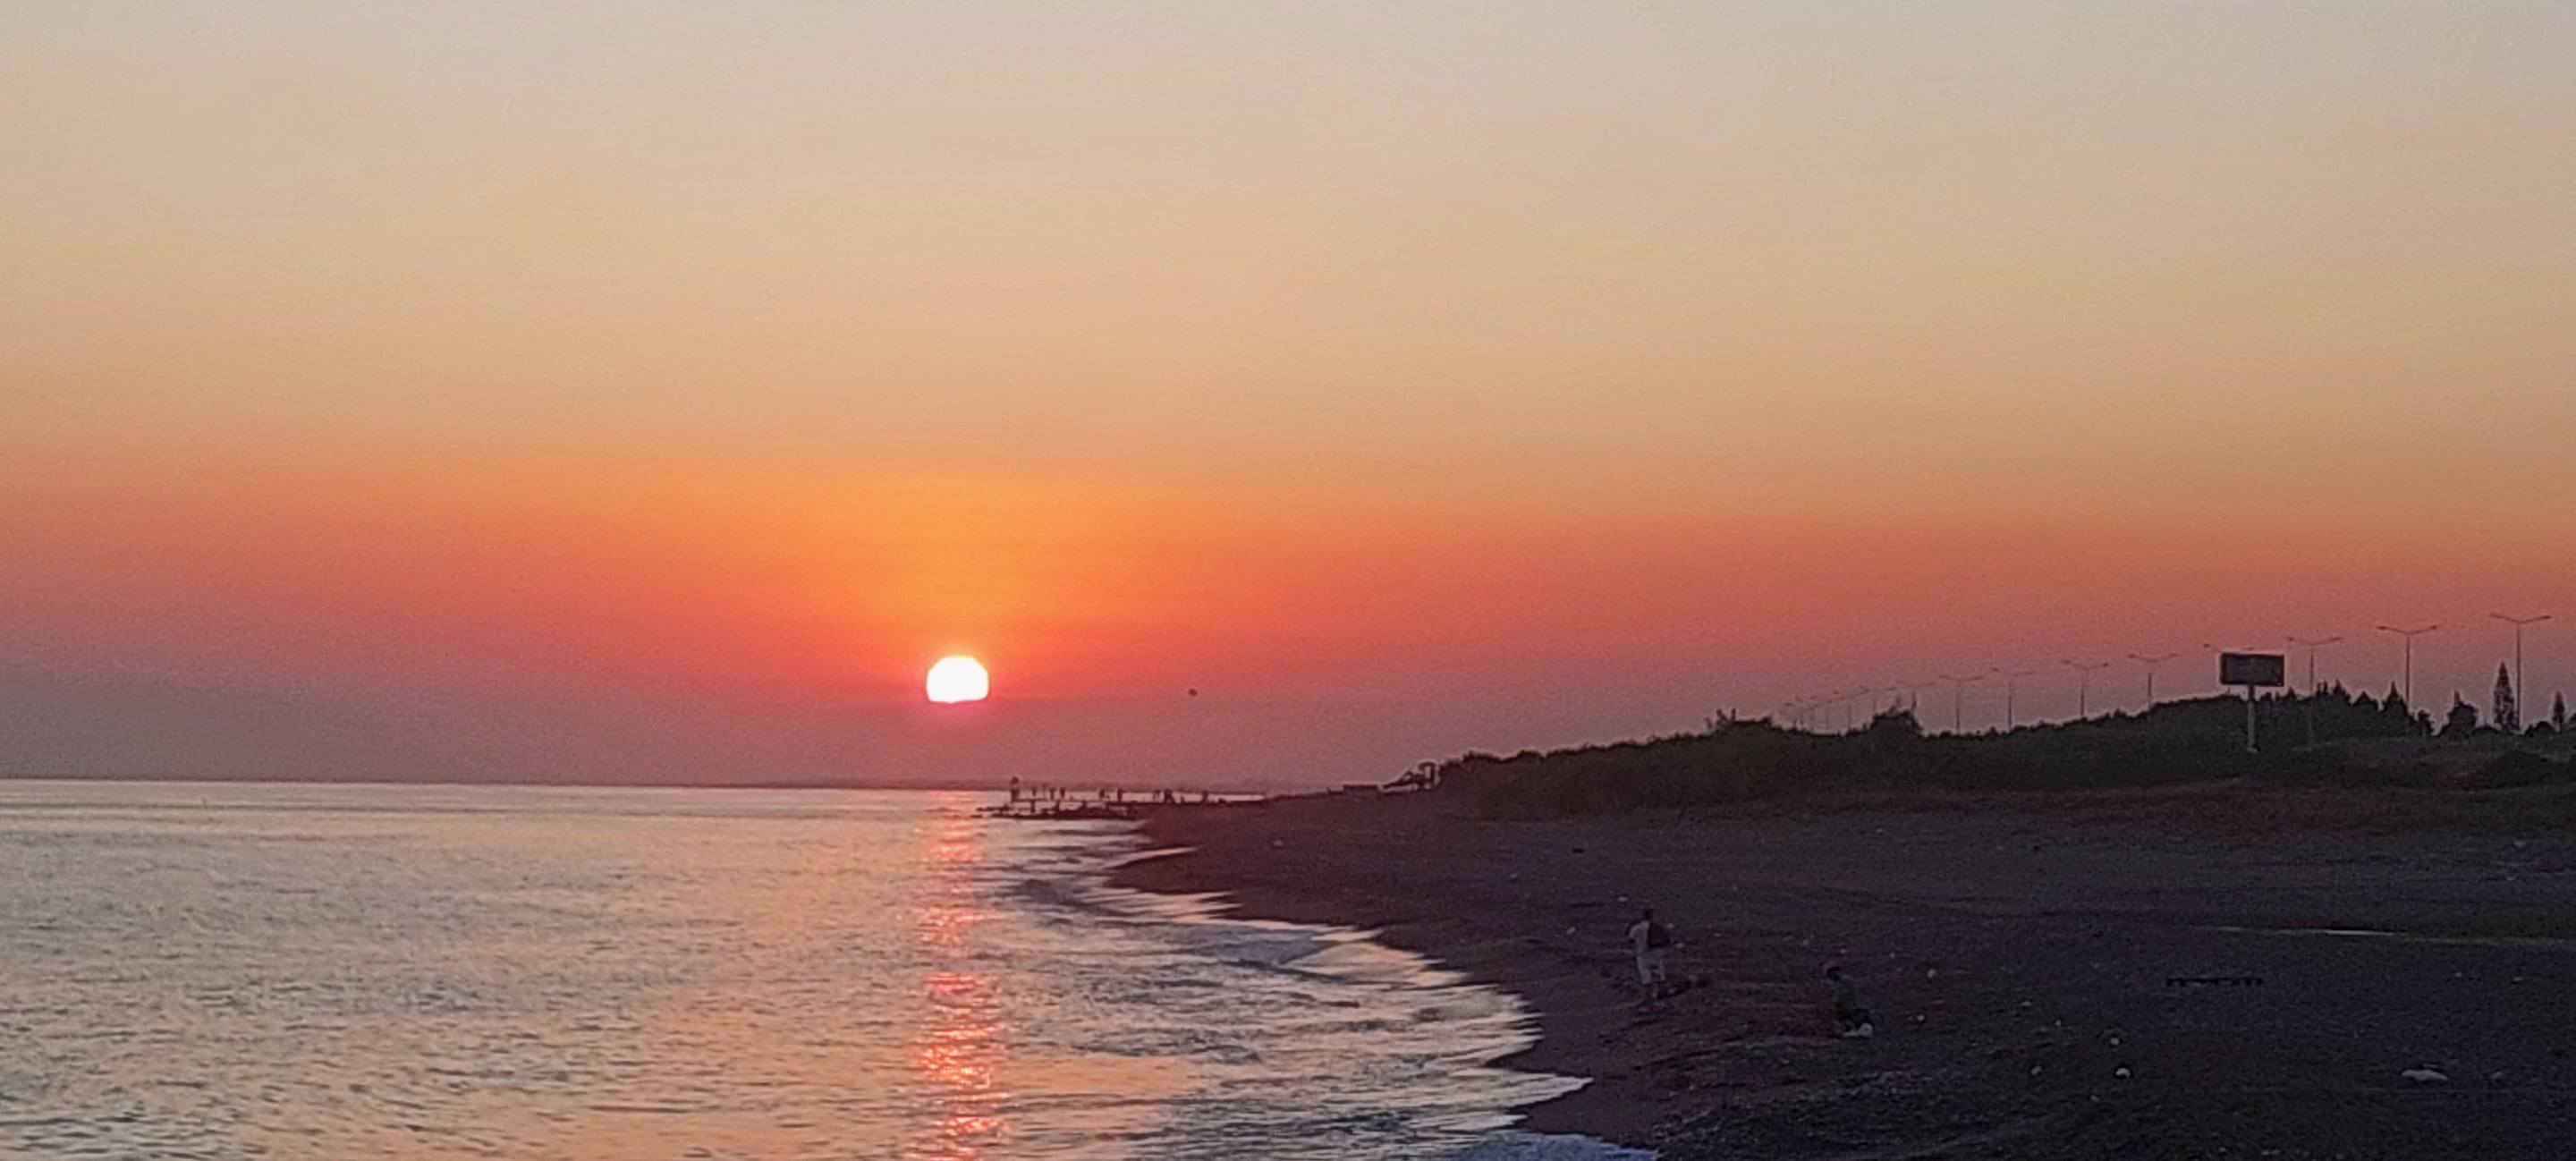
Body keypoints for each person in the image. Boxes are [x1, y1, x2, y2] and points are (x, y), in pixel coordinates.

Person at [1627, 908, 1673, 993]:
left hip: (1642, 954)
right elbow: (1667, 940)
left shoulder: (1636, 928)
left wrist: (1633, 950)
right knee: (1659, 976)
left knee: (1645, 978)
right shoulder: (1658, 927)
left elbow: (1631, 940)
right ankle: (1661, 993)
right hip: (1656, 954)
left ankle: (1648, 995)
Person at [1825, 963, 1875, 1038]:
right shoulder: (1837, 985)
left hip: (1852, 1010)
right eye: (1830, 973)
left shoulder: (1846, 983)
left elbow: (1843, 997)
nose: (1833, 975)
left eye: (1834, 972)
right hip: (1847, 1012)